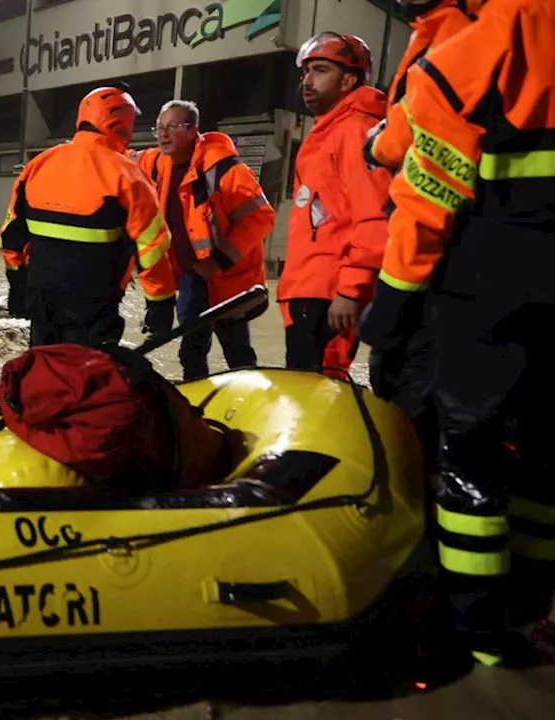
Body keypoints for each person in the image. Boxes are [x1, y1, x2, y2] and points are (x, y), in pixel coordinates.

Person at [359, 0, 555, 668]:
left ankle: (477, 634)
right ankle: (533, 606)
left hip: (488, 280)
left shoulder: (481, 44)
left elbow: (431, 188)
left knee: (469, 453)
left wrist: (392, 299)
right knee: (546, 454)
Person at [361, 0, 482, 466]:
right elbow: (413, 115)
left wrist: (379, 144)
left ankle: (418, 499)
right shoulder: (434, 31)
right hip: (452, 245)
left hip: (445, 248)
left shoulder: (456, 33)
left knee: (415, 387)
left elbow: (430, 165)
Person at [0, 86, 175, 349]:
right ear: (122, 122)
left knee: (43, 368)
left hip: (40, 297)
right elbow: (152, 247)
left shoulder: (38, 164)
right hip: (94, 303)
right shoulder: (130, 175)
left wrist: (17, 285)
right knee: (89, 378)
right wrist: (160, 306)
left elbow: (11, 235)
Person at [133, 100, 275, 381]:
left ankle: (249, 404)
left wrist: (218, 261)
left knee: (237, 351)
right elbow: (121, 158)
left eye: (172, 127)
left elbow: (261, 217)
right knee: (192, 351)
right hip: (190, 276)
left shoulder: (224, 168)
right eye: (159, 127)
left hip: (226, 276)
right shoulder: (156, 163)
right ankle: (197, 406)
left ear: (192, 130)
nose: (163, 134)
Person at [277, 32, 391, 377]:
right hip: (308, 289)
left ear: (349, 80)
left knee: (320, 394)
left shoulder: (356, 130)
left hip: (328, 294)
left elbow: (375, 217)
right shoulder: (328, 131)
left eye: (320, 70)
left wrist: (350, 289)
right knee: (303, 395)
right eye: (305, 72)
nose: (307, 81)